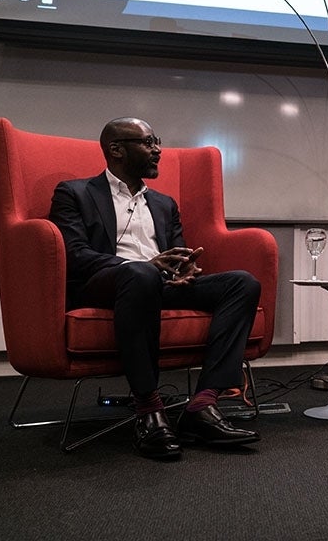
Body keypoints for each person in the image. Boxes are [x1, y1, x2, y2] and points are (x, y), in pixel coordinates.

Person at [49, 117, 262, 460]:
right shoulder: (74, 193)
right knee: (140, 276)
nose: (158, 150)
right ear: (116, 150)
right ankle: (149, 410)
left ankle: (203, 406)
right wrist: (141, 267)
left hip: (158, 283)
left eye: (156, 141)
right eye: (148, 143)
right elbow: (75, 255)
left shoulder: (164, 204)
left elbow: (176, 251)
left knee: (241, 283)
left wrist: (184, 267)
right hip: (106, 284)